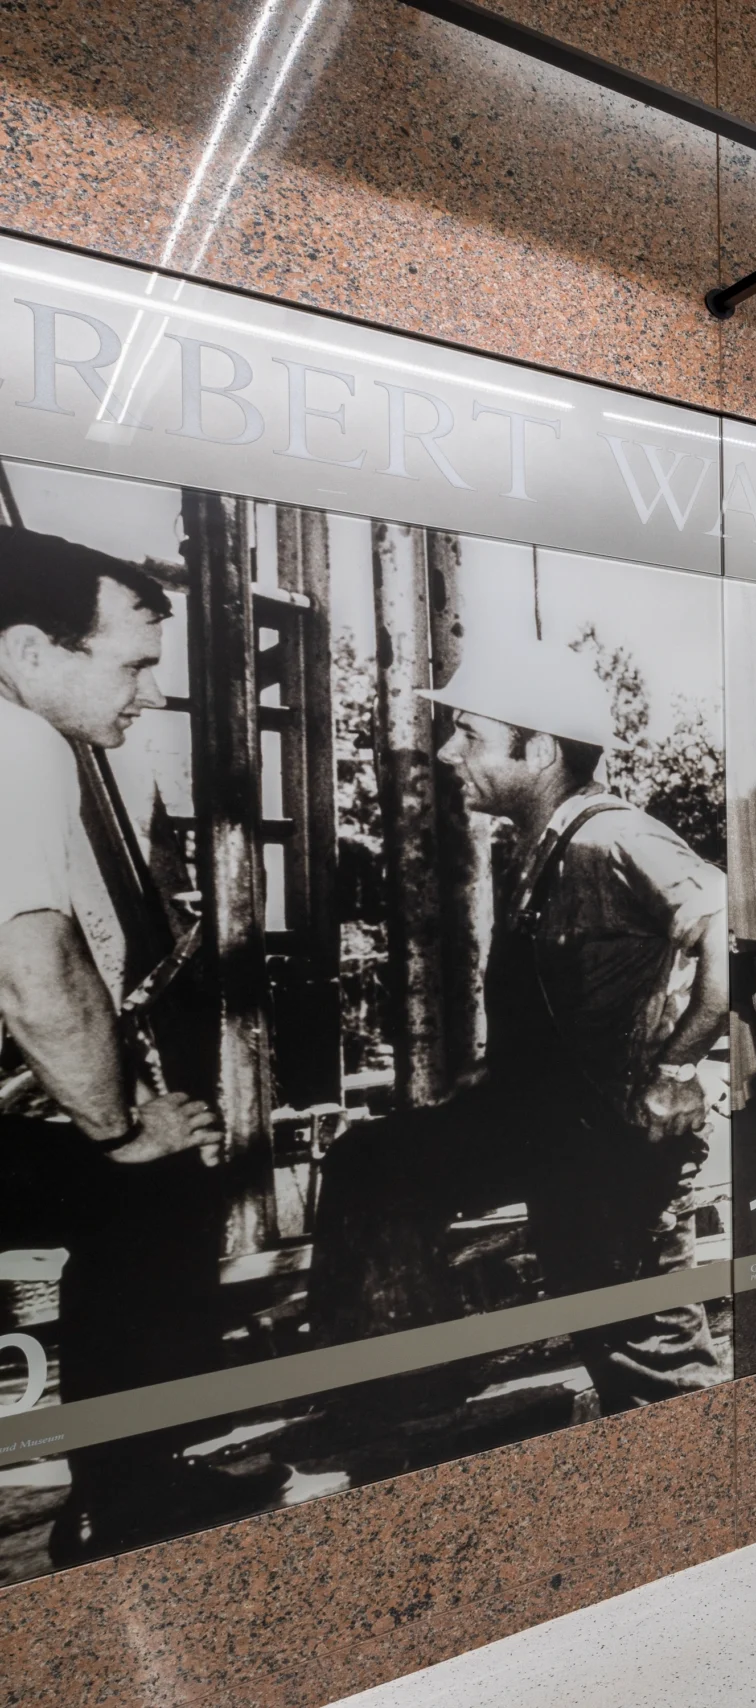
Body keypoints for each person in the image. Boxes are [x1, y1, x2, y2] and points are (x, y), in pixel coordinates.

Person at [312, 639, 728, 1415]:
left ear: (538, 749)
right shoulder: (540, 848)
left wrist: (675, 1071)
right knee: (372, 1164)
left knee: (648, 1353)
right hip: (549, 1124)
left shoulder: (613, 837)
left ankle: (712, 1481)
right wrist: (503, 1068)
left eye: (469, 735)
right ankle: (404, 1384)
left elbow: (723, 927)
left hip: (609, 1148)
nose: (446, 752)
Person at [0, 529, 243, 1565]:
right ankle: (128, 1507)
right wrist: (117, 1128)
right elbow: (34, 963)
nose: (147, 696)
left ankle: (132, 1483)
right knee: (156, 1186)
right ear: (29, 653)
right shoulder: (19, 745)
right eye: (133, 665)